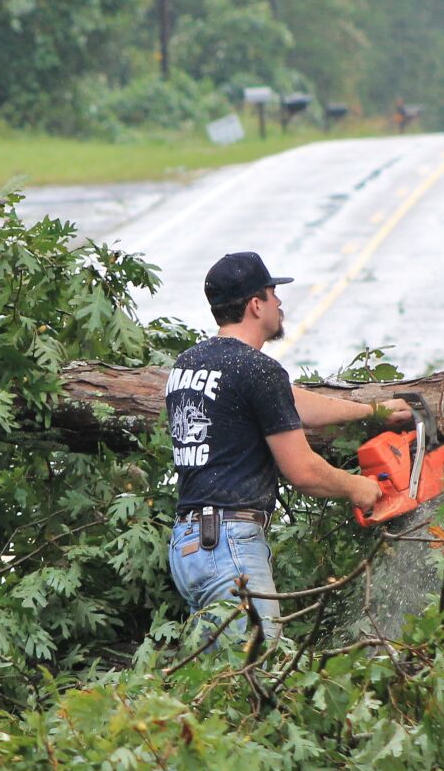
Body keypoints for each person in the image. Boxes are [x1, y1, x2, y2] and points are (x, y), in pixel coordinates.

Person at [165, 251, 412, 645]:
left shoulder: (190, 363)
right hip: (230, 546)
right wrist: (362, 489)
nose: (280, 303)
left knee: (222, 687)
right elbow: (303, 472)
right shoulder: (257, 370)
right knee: (256, 679)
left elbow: (291, 403)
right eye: (272, 293)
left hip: (189, 546)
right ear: (255, 304)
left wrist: (372, 412)